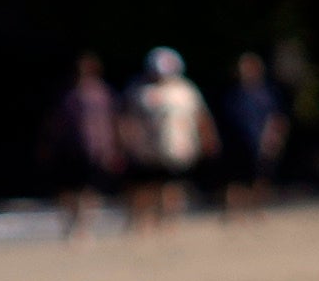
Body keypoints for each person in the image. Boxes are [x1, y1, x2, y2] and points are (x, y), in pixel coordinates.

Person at [123, 46, 212, 231]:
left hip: (178, 148)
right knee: (147, 186)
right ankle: (144, 222)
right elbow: (127, 119)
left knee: (174, 186)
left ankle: (170, 221)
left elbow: (200, 116)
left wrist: (206, 139)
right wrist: (129, 142)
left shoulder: (186, 90)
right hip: (147, 150)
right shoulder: (139, 91)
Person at [48, 54, 123, 236]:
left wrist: (116, 147)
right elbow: (55, 123)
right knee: (67, 189)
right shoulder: (67, 95)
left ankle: (83, 227)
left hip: (97, 150)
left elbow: (115, 122)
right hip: (70, 149)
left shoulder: (104, 94)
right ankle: (70, 222)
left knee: (91, 189)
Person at [212, 51, 289, 213]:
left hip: (261, 140)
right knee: (235, 178)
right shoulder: (231, 93)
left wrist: (276, 138)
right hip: (235, 141)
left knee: (261, 176)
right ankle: (234, 210)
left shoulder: (267, 93)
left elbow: (277, 117)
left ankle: (256, 208)